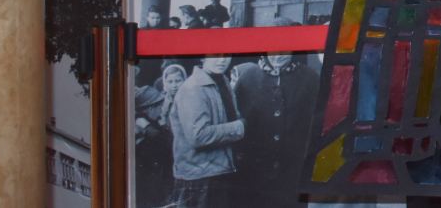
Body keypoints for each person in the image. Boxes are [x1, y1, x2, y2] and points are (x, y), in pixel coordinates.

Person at [232, 22, 319, 203]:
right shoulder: (248, 78)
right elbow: (238, 119)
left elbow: (318, 121)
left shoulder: (310, 79)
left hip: (295, 168)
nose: (278, 55)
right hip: (256, 169)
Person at [169, 56, 243, 207]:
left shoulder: (222, 81)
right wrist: (239, 127)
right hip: (200, 178)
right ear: (203, 57)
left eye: (226, 54)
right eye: (215, 54)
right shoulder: (193, 88)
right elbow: (198, 136)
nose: (222, 60)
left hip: (218, 171)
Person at [134, 64, 185, 207]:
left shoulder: (187, 101)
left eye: (178, 81)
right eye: (170, 81)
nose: (174, 85)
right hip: (162, 167)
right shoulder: (153, 126)